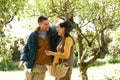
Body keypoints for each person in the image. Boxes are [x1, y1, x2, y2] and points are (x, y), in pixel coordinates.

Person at [19, 15, 73, 80]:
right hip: (30, 64)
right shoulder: (33, 35)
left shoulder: (53, 31)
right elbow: (26, 48)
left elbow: (66, 28)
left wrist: (69, 19)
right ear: (39, 24)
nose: (48, 25)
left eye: (48, 23)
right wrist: (22, 60)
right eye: (45, 24)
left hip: (42, 67)